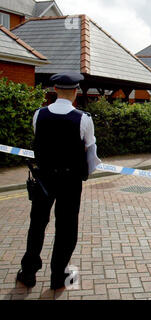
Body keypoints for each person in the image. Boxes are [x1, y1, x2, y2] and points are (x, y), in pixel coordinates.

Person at [16, 72, 97, 290]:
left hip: (43, 178)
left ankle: (28, 273)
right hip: (70, 181)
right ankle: (58, 276)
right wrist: (85, 172)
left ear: (54, 91)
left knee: (37, 225)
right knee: (66, 227)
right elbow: (91, 151)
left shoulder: (38, 115)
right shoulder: (84, 119)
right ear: (76, 92)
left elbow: (40, 143)